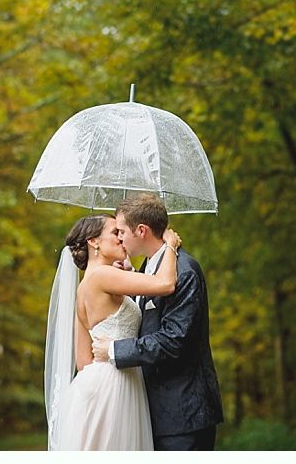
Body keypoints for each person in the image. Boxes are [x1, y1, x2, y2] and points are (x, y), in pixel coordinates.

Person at [92, 193, 224, 450]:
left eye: (120, 231)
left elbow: (173, 340)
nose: (118, 237)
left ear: (141, 230)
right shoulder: (147, 269)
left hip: (184, 413)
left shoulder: (184, 271)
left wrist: (114, 350)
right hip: (153, 411)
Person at [45, 213, 182, 450]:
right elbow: (166, 284)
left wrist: (127, 270)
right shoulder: (104, 276)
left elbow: (83, 361)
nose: (121, 238)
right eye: (114, 233)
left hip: (95, 383)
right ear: (93, 241)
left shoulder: (84, 287)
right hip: (118, 383)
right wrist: (170, 245)